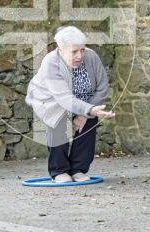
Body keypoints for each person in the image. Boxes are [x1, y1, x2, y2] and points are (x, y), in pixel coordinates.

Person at [26, 26, 115, 183]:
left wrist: (86, 113)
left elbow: (102, 88)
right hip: (50, 101)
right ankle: (59, 170)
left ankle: (78, 169)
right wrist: (89, 109)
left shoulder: (91, 57)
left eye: (82, 50)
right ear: (60, 49)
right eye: (74, 52)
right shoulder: (51, 62)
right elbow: (63, 98)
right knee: (57, 120)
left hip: (80, 101)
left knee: (90, 121)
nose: (80, 55)